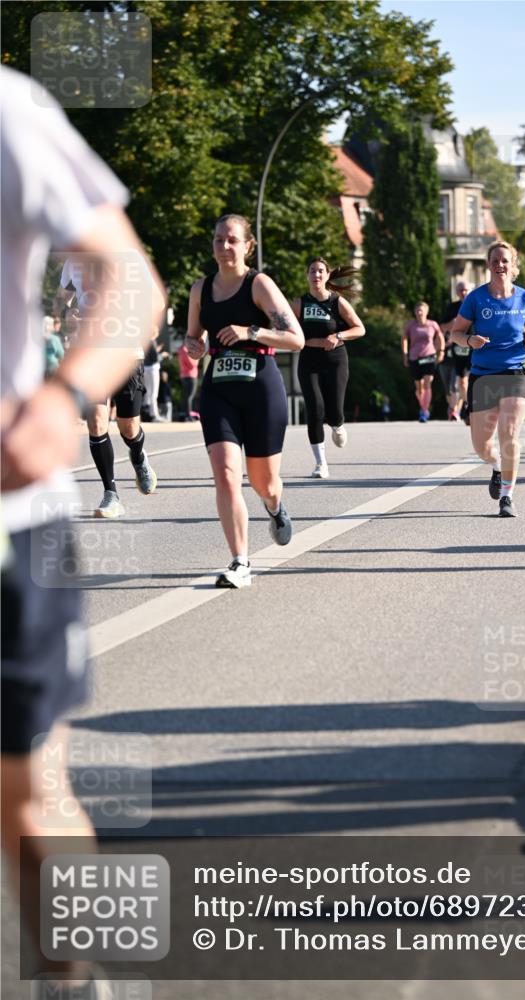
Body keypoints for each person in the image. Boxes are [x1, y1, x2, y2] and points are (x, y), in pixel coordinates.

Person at [1, 65, 165, 998]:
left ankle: (81, 979)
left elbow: (129, 278)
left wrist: (64, 399)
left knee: (27, 801)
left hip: (12, 521)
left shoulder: (7, 113)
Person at [184, 214, 304, 588]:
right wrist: (196, 346)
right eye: (218, 240)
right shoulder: (199, 289)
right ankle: (240, 562)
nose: (224, 247)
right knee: (225, 474)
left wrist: (250, 330)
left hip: (260, 388)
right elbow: (193, 341)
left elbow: (296, 338)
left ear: (248, 246)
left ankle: (275, 506)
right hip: (219, 388)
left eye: (232, 240)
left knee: (263, 482)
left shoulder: (259, 284)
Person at [53, 257, 160, 517]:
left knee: (128, 426)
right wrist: (68, 315)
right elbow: (60, 302)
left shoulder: (130, 259)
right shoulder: (73, 263)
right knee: (97, 422)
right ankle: (111, 495)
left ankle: (138, 456)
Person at [449, 241, 525, 517]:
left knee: (510, 436)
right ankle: (495, 465)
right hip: (482, 375)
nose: (500, 265)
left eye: (505, 260)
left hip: (516, 370)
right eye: (495, 260)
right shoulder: (476, 298)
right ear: (488, 265)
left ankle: (507, 495)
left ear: (513, 265)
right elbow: (455, 333)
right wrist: (470, 339)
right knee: (482, 446)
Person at [291, 257, 365, 478]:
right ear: (307, 275)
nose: (316, 275)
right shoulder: (299, 303)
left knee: (333, 410)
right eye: (312, 271)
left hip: (335, 359)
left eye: (321, 271)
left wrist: (338, 335)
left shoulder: (337, 302)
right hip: (309, 359)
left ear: (327, 275)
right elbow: (285, 327)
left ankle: (338, 423)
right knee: (315, 409)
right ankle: (321, 463)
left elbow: (360, 328)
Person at [402, 301, 444, 422]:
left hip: (429, 356)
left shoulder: (432, 324)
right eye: (417, 310)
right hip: (414, 357)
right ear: (415, 312)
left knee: (427, 382)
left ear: (426, 312)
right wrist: (405, 355)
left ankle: (424, 411)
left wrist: (441, 351)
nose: (419, 312)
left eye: (422, 310)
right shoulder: (410, 325)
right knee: (419, 387)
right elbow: (404, 339)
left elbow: (440, 336)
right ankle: (423, 406)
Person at [440, 281, 471, 422]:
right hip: (458, 349)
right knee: (462, 383)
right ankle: (468, 405)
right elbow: (441, 327)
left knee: (475, 379)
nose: (463, 293)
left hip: (475, 347)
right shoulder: (452, 308)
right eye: (461, 290)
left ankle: (473, 405)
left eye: (465, 290)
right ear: (457, 292)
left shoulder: (476, 305)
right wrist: (451, 324)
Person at [178, 335, 200, 420]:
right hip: (190, 375)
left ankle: (185, 414)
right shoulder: (185, 350)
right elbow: (193, 364)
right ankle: (188, 415)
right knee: (189, 396)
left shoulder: (181, 349)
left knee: (186, 396)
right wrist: (197, 358)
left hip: (185, 375)